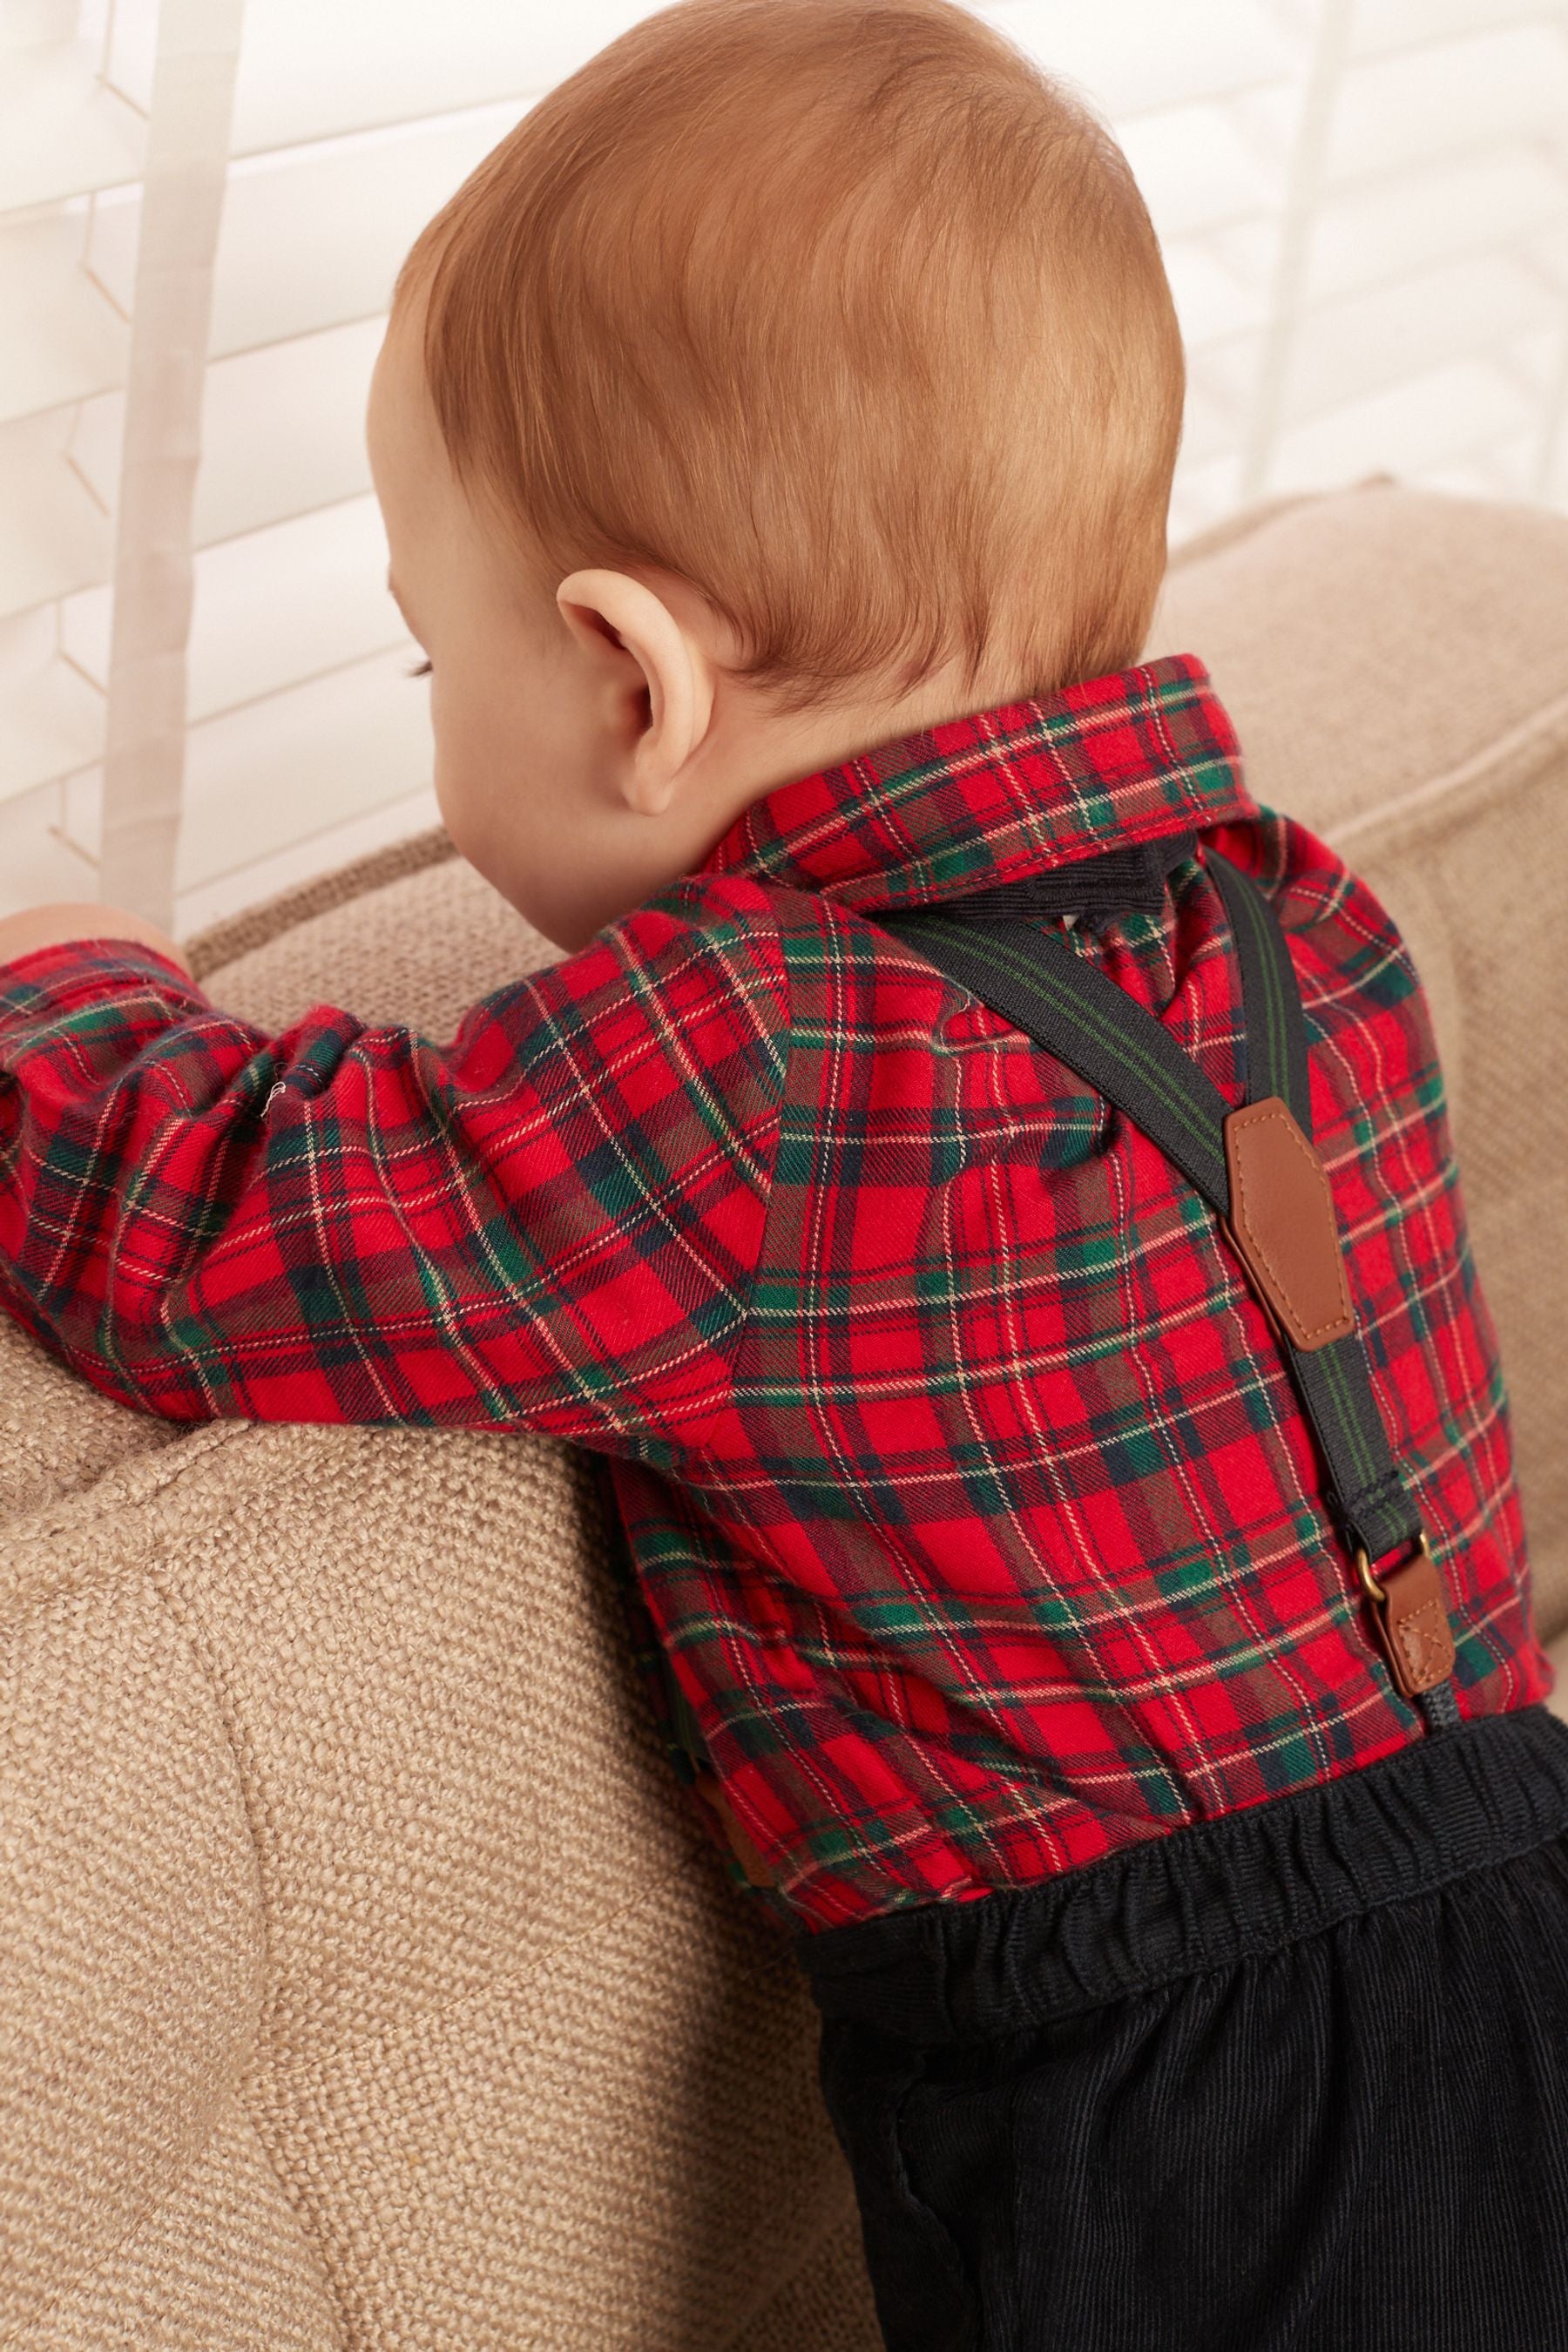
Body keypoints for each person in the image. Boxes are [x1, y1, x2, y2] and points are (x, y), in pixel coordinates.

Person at [3, 3, 1565, 2344]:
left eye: (440, 660)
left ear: (633, 683)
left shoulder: (745, 1071)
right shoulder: (1292, 921)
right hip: (1511, 1873)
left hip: (1173, 2098)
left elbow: (217, 1229)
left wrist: (57, 981)